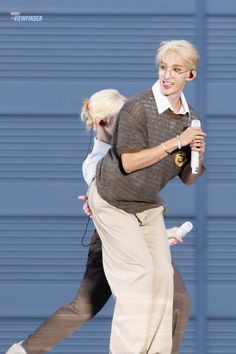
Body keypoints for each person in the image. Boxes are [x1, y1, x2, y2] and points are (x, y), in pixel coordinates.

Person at [6, 88, 193, 354]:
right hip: (114, 239)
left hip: (140, 233)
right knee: (86, 307)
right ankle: (23, 351)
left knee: (178, 300)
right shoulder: (95, 163)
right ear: (103, 123)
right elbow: (114, 205)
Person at [87, 41, 206, 354]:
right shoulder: (139, 107)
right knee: (139, 276)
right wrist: (175, 142)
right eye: (163, 67)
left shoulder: (190, 117)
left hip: (146, 205)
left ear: (190, 76)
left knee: (163, 278)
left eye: (176, 70)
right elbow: (128, 163)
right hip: (112, 198)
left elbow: (187, 177)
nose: (167, 75)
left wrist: (195, 155)